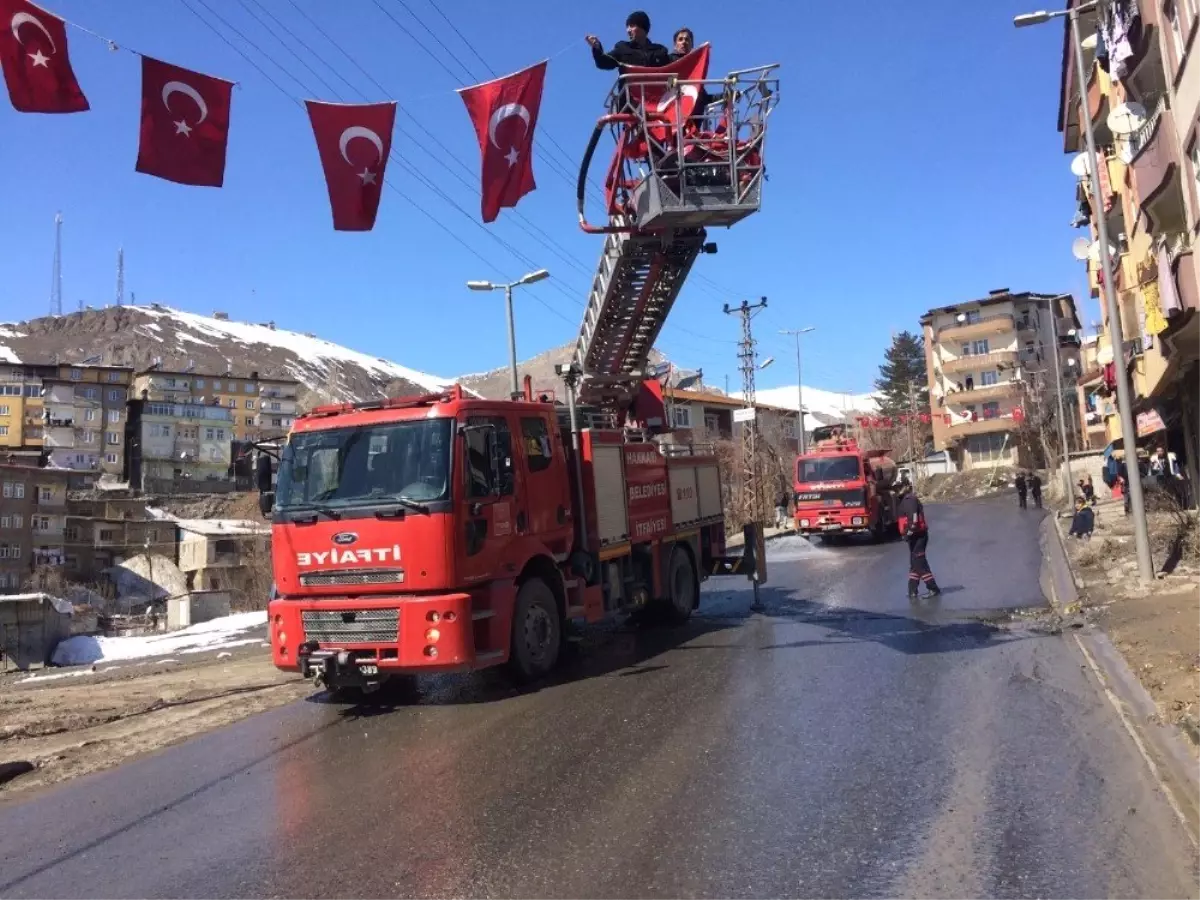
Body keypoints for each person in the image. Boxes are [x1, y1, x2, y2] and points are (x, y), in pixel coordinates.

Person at [897, 481, 941, 600]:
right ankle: (912, 591)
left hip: (918, 535)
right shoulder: (904, 500)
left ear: (906, 488)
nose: (898, 489)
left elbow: (914, 518)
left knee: (919, 563)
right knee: (914, 562)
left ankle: (933, 588)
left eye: (900, 487)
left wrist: (909, 532)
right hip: (915, 536)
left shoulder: (909, 500)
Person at [586, 11, 670, 71]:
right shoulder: (622, 47)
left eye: (632, 26)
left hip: (658, 94)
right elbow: (603, 62)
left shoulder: (660, 50)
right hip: (630, 95)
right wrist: (597, 48)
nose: (628, 30)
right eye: (627, 27)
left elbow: (672, 69)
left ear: (643, 27)